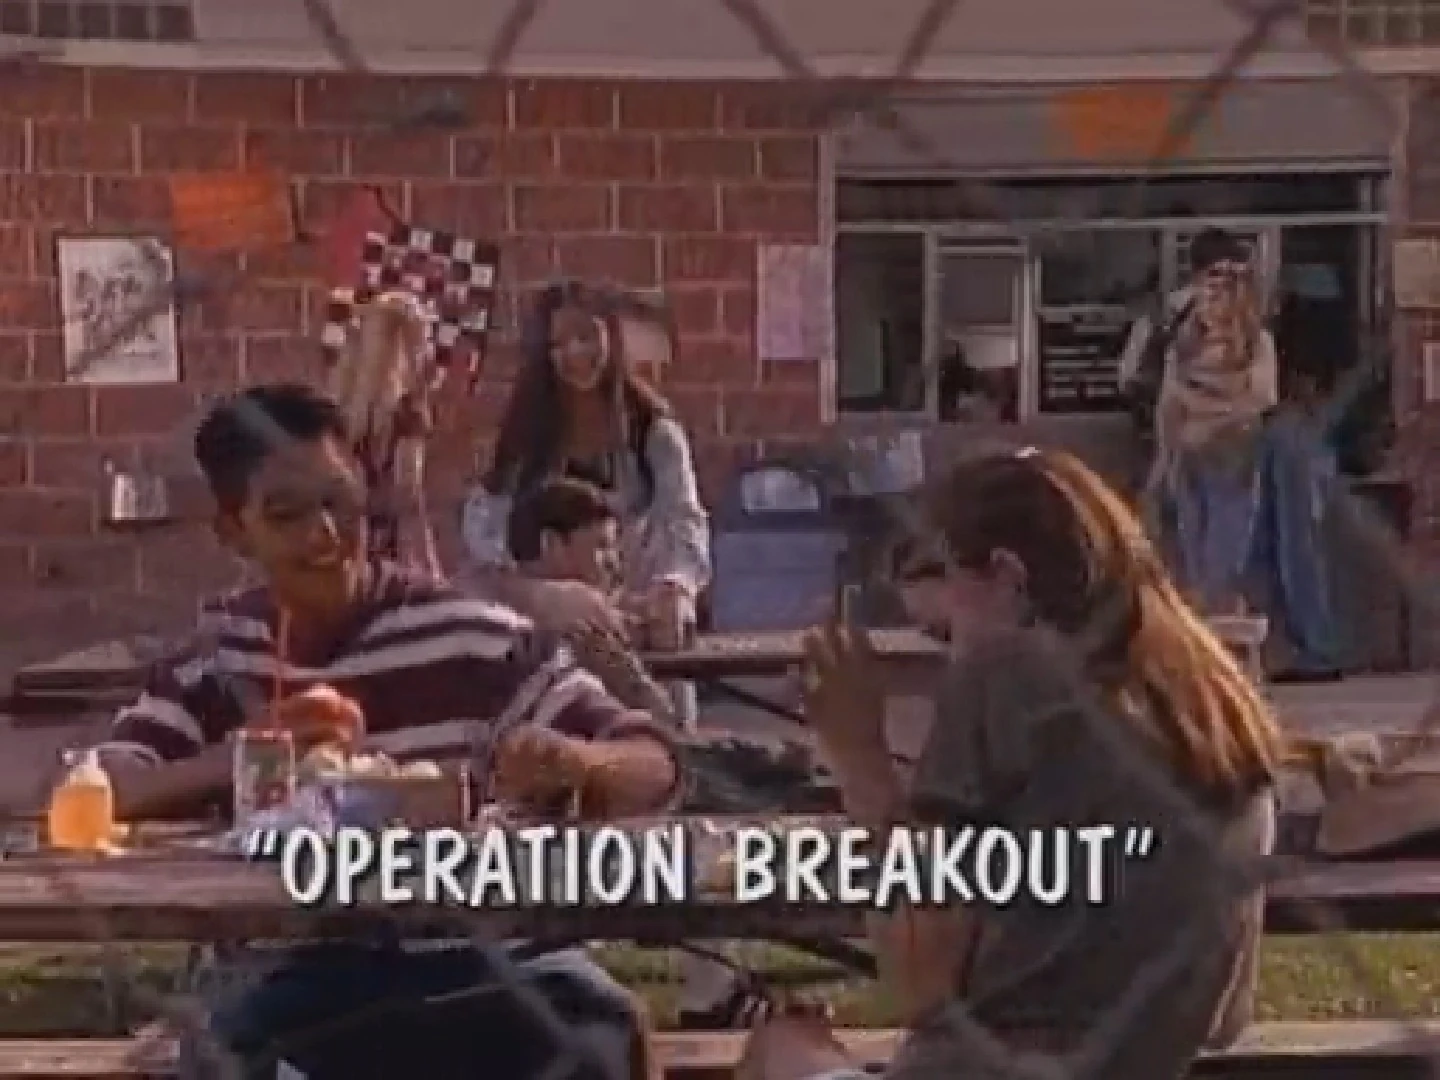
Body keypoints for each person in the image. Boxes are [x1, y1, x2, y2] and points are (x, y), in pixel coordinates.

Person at [92, 383, 678, 1080]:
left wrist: (579, 762)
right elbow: (95, 790)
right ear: (234, 531)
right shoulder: (217, 662)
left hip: (478, 960)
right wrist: (246, 754)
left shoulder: (471, 638)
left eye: (339, 503)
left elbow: (656, 761)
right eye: (286, 515)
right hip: (289, 976)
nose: (325, 535)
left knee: (605, 1030)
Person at [759, 448, 1279, 1080]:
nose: (949, 660)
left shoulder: (1000, 675)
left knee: (781, 1047)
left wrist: (859, 759)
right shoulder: (1220, 709)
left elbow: (919, 986)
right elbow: (1226, 1019)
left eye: (945, 633)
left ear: (1007, 578)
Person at [460, 280, 710, 656]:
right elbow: (483, 540)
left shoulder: (652, 432)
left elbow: (683, 518)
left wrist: (674, 591)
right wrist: (536, 594)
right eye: (559, 344)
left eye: (586, 336)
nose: (576, 352)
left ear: (611, 337)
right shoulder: (526, 435)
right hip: (546, 639)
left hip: (635, 631)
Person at [1119, 228, 1277, 615]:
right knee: (1225, 546)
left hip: (1177, 444)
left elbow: (1132, 379)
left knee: (1185, 546)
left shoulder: (1166, 320)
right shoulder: (1249, 331)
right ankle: (1213, 620)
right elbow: (1263, 396)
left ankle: (1190, 619)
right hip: (1229, 445)